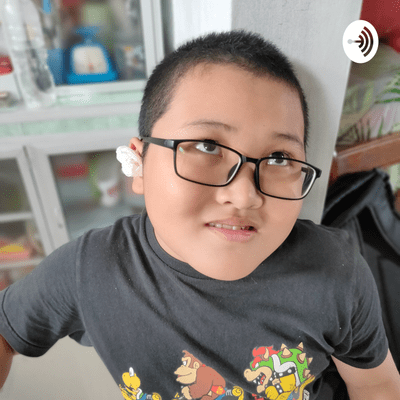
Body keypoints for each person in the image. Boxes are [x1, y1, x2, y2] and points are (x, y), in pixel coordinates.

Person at [1, 30, 399, 400]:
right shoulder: (90, 269)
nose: (244, 195)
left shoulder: (338, 274)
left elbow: (376, 383)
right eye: (207, 147)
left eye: (279, 157)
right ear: (140, 165)